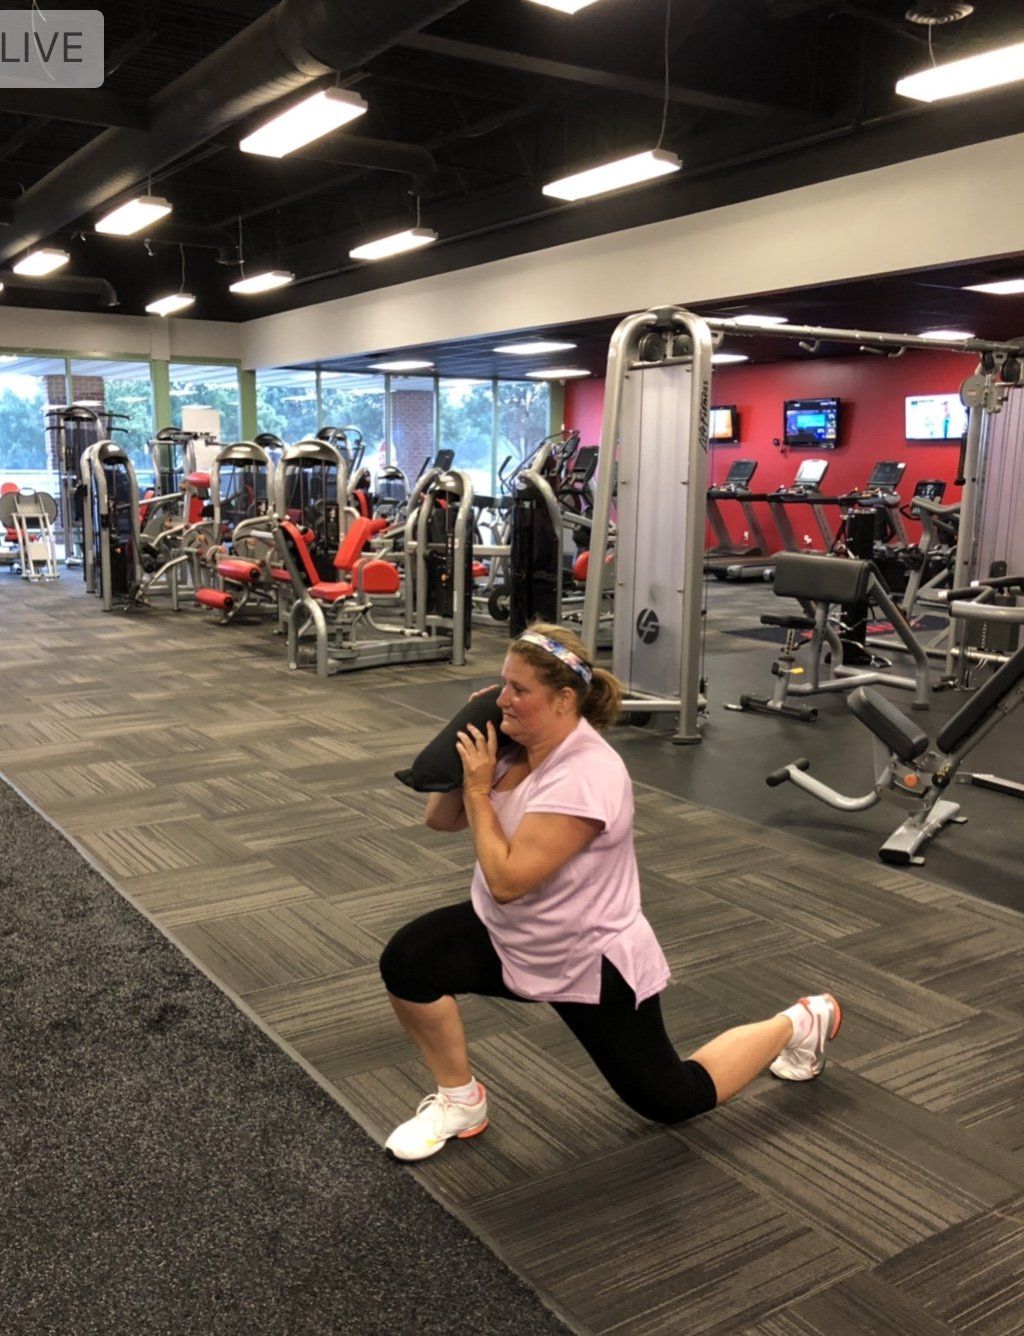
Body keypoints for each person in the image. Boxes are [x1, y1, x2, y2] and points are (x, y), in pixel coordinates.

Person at [379, 622, 841, 1161]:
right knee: (409, 962)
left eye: (519, 690)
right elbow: (442, 820)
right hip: (509, 934)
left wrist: (479, 787)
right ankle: (462, 1102)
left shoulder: (588, 774)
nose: (501, 698)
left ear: (564, 700)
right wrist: (460, 753)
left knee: (671, 1098)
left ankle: (801, 1021)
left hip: (586, 957)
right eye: (501, 684)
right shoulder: (513, 743)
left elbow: (507, 881)